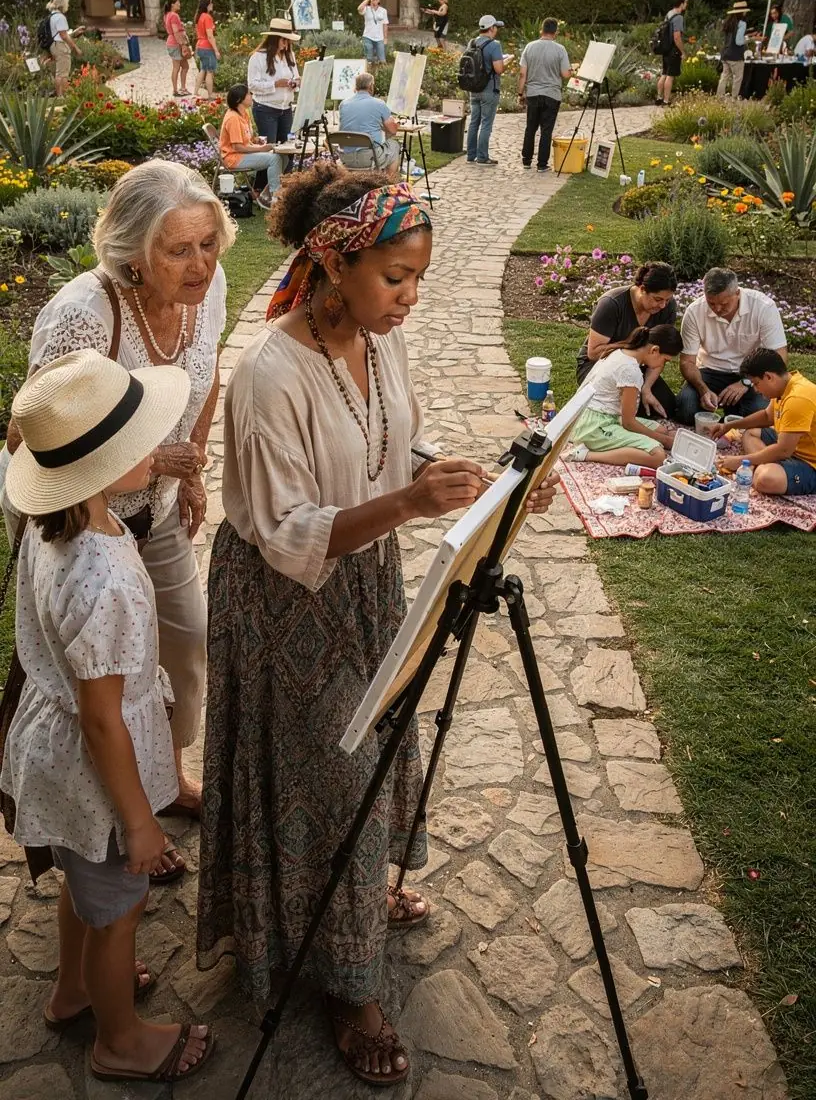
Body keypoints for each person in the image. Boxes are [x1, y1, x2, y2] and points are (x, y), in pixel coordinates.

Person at [196, 165, 559, 1085]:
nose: (408, 297)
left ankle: (352, 898)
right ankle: (348, 981)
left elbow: (385, 445)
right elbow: (284, 534)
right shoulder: (271, 374)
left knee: (372, 748)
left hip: (362, 584)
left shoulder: (375, 339)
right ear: (333, 260)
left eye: (419, 279)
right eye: (395, 278)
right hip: (286, 604)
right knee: (326, 769)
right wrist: (406, 500)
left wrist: (470, 480)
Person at [8, 160, 236, 871]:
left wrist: (190, 467)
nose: (200, 264)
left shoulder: (212, 286)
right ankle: (99, 831)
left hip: (158, 511)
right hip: (85, 529)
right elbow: (32, 434)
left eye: (209, 243)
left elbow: (207, 372)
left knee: (185, 646)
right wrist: (142, 460)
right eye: (179, 250)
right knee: (93, 684)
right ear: (133, 252)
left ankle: (161, 781)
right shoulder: (84, 310)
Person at [0, 350, 214, 1085]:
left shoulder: (50, 527)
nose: (153, 454)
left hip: (61, 765)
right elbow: (102, 720)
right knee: (120, 907)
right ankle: (119, 1041)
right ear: (96, 470)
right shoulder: (105, 577)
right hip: (98, 776)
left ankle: (74, 992)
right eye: (139, 448)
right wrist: (143, 822)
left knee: (82, 882)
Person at [676, 267, 787, 426]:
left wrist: (745, 382)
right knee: (685, 408)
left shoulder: (763, 307)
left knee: (760, 414)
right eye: (711, 303)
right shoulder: (694, 311)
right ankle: (723, 410)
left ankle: (733, 414)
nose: (718, 309)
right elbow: (687, 362)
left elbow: (779, 357)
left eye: (724, 303)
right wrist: (703, 390)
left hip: (751, 374)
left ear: (737, 293)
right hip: (709, 371)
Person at [568, 325, 683, 466]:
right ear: (655, 350)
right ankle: (585, 454)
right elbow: (629, 423)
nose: (662, 365)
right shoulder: (630, 370)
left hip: (603, 416)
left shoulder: (623, 351)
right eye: (665, 361)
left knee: (662, 430)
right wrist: (664, 441)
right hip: (592, 426)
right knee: (658, 455)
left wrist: (661, 436)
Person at [576, 262, 679, 419]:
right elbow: (594, 352)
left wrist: (646, 387)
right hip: (599, 365)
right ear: (642, 289)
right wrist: (634, 347)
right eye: (658, 299)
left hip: (638, 365)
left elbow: (660, 353)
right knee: (628, 409)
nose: (663, 305)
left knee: (666, 406)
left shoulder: (667, 307)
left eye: (667, 300)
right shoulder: (612, 303)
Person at [713, 349, 816, 496]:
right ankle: (762, 464)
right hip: (794, 446)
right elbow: (767, 416)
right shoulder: (786, 384)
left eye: (756, 384)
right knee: (751, 433)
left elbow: (783, 451)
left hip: (809, 462)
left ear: (768, 377)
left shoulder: (797, 399)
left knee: (764, 479)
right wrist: (729, 426)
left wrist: (741, 461)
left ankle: (761, 467)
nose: (755, 390)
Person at [247, 19, 301, 194]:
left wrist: (294, 84)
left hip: (286, 108)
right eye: (283, 40)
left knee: (288, 147)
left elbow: (297, 78)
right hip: (266, 108)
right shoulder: (258, 58)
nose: (286, 44)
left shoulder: (289, 56)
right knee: (268, 149)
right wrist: (275, 84)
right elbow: (252, 85)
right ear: (274, 39)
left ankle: (284, 185)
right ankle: (260, 188)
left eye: (288, 40)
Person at [518, 18, 572, 172]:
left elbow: (523, 74)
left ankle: (526, 160)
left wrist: (520, 93)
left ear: (541, 29)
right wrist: (571, 71)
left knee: (530, 128)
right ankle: (542, 164)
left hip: (533, 94)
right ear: (556, 32)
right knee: (546, 130)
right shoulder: (560, 49)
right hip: (552, 95)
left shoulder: (529, 47)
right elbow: (565, 74)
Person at [219, 84, 278, 207]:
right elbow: (237, 147)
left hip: (243, 154)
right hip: (234, 158)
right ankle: (274, 198)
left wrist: (256, 141)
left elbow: (246, 139)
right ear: (239, 99)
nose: (252, 96)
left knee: (282, 156)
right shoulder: (233, 118)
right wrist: (262, 149)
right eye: (248, 94)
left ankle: (265, 194)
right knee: (275, 159)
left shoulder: (244, 114)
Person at [338, 71, 401, 170]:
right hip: (370, 157)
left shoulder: (343, 104)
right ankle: (389, 182)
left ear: (356, 86)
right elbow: (392, 130)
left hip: (346, 157)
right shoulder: (379, 103)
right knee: (394, 145)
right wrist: (396, 124)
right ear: (371, 85)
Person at [466, 14, 505, 167]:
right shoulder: (494, 45)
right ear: (492, 28)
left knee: (474, 122)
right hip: (489, 89)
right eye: (496, 27)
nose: (497, 30)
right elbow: (499, 69)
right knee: (486, 123)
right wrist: (505, 62)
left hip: (473, 89)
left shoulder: (472, 42)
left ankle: (471, 155)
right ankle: (482, 157)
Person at [46, 0, 84, 98]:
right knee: (62, 73)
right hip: (60, 46)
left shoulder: (52, 16)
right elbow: (63, 36)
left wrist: (75, 32)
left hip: (54, 45)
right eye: (67, 3)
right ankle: (61, 96)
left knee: (60, 72)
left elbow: (60, 34)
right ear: (63, 4)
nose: (68, 5)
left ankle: (60, 95)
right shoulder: (60, 17)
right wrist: (75, 48)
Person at [655, 0, 688, 107]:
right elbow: (677, 37)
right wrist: (683, 52)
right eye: (686, 2)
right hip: (673, 49)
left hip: (665, 48)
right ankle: (666, 100)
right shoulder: (678, 17)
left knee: (664, 73)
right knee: (670, 76)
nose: (686, 5)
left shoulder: (669, 13)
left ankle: (659, 98)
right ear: (681, 3)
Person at [717, 0, 749, 100]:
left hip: (725, 53)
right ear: (742, 12)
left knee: (724, 76)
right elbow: (739, 41)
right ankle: (734, 98)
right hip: (735, 55)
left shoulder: (728, 22)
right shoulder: (742, 24)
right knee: (737, 77)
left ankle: (719, 97)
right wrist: (748, 39)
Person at [163, 0, 190, 98]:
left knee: (185, 66)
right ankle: (175, 90)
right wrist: (182, 44)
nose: (179, 4)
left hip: (172, 43)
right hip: (176, 44)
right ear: (172, 4)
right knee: (176, 67)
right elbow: (176, 32)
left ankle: (183, 88)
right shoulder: (174, 15)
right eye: (178, 3)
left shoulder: (167, 15)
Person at [194, 0, 220, 98]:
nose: (212, 5)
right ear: (207, 5)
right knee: (210, 71)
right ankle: (210, 94)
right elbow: (210, 35)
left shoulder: (199, 16)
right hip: (207, 48)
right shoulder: (207, 17)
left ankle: (195, 92)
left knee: (203, 69)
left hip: (200, 46)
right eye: (211, 3)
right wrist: (216, 50)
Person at [358, 0, 389, 67]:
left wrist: (385, 38)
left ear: (379, 0)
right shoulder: (366, 9)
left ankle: (382, 74)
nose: (374, 0)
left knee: (382, 60)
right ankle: (368, 75)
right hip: (368, 36)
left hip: (379, 38)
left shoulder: (383, 11)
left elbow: (385, 24)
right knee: (369, 59)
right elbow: (359, 8)